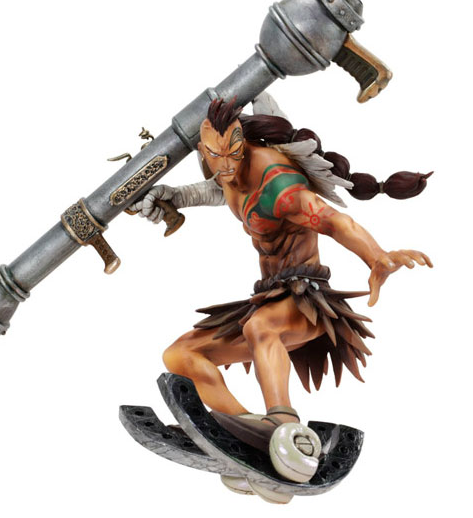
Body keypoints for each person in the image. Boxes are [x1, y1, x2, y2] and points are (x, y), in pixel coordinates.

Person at [130, 96, 432, 451]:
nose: (225, 165)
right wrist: (172, 196)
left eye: (232, 154)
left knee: (260, 327)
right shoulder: (229, 173)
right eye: (214, 155)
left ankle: (283, 423)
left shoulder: (279, 185)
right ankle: (246, 432)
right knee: (181, 355)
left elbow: (335, 222)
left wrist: (376, 256)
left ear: (244, 145)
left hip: (305, 301)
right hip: (266, 299)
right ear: (202, 151)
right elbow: (219, 188)